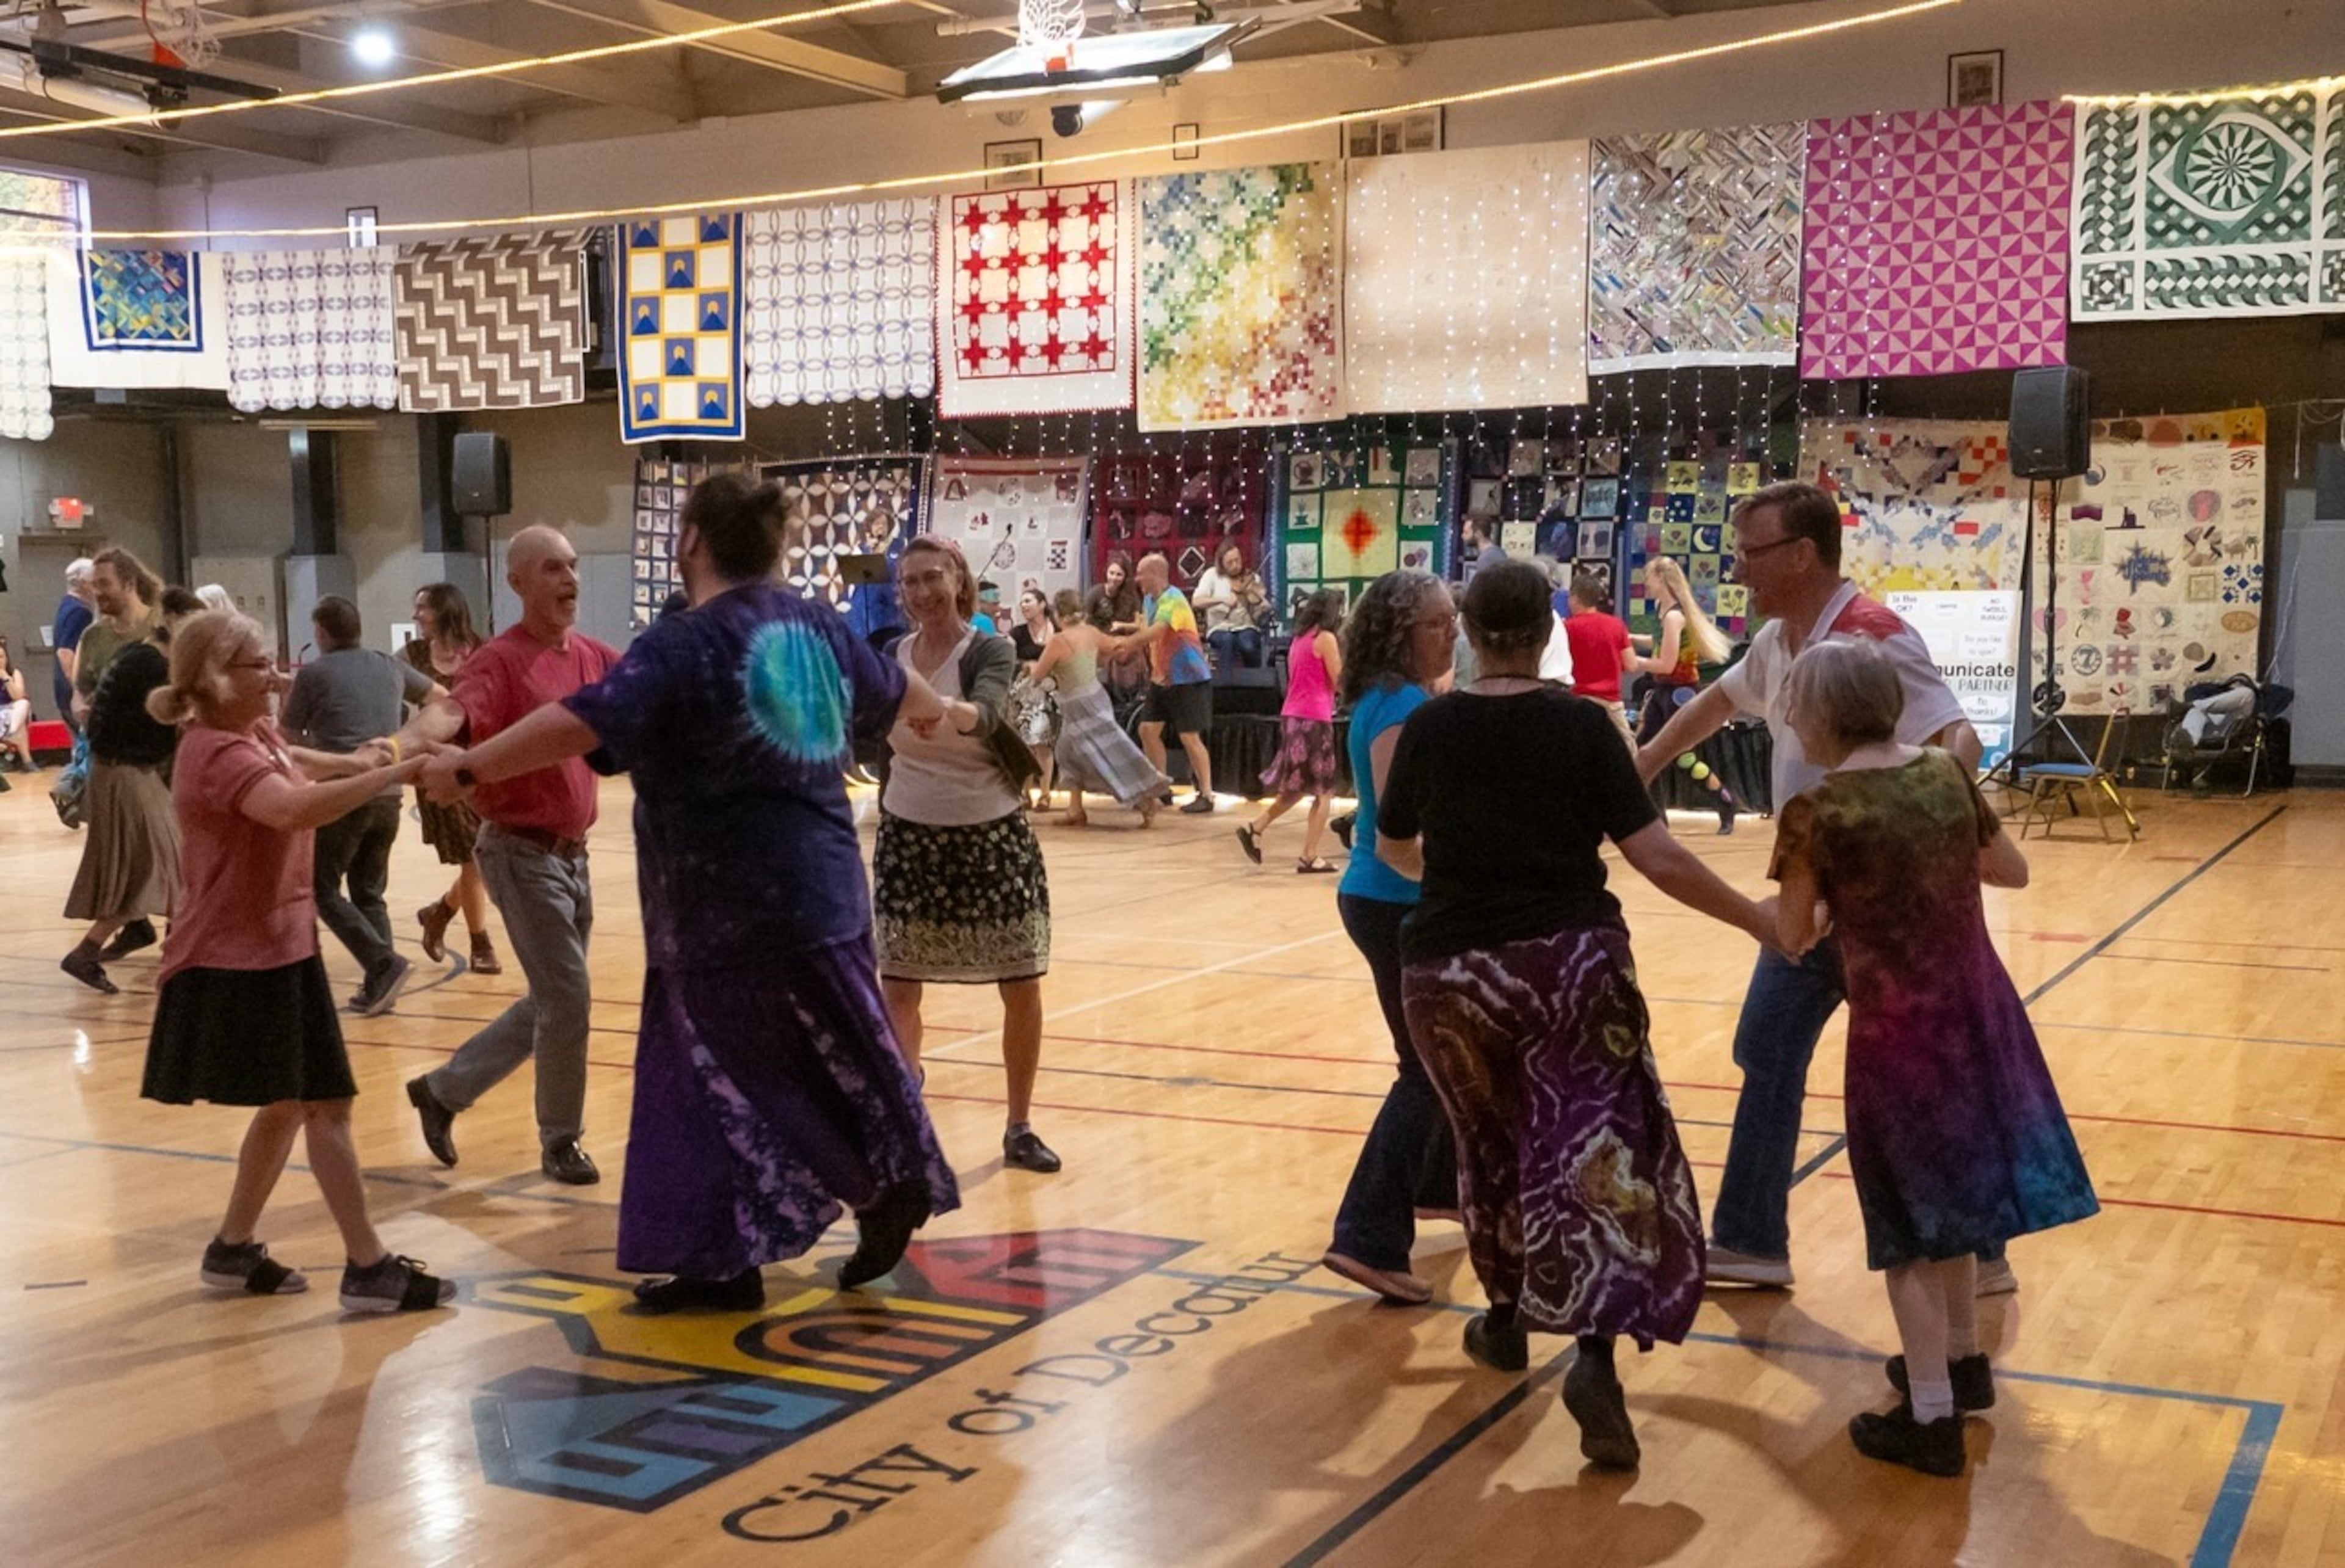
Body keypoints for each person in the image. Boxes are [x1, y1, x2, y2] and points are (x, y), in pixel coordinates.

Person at [420, 475, 962, 1310]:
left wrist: (467, 767)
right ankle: (744, 1250)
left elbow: (585, 722)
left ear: (693, 544)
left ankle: (860, 1195)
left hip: (724, 910)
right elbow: (909, 700)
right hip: (827, 892)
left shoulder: (684, 643)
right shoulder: (817, 626)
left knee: (718, 1082)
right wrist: (938, 715)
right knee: (834, 1055)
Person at [1378, 561, 1778, 1468]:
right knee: (1593, 1153)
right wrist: (1757, 919)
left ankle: (1508, 1317)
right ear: (1545, 627)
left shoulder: (1432, 727)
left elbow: (1397, 847)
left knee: (1487, 1149)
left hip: (1448, 973)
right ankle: (1594, 1352)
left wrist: (1456, 886)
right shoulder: (1584, 727)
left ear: (1473, 631)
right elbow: (1657, 857)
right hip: (1573, 967)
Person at [1637, 481, 1987, 1291]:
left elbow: (1956, 737)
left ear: (1800, 555)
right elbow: (1719, 705)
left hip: (1879, 909)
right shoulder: (1782, 639)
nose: (1739, 567)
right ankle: (1754, 1239)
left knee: (1911, 1079)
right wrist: (1646, 763)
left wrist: (1907, 842)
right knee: (1769, 1049)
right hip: (1813, 901)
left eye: (1751, 552)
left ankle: (1979, 1245)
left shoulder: (1872, 639)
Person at [1770, 641, 2096, 1475]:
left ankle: (1931, 1417)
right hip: (1980, 1015)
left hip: (1898, 1035)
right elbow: (2011, 872)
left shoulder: (1818, 813)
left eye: (1796, 702)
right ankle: (1961, 1364)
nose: (1789, 717)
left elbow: (1793, 936)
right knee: (1959, 1203)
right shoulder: (1948, 778)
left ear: (1830, 714)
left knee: (1908, 1229)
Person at [139, 609, 455, 1314]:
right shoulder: (214, 755)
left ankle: (232, 1248)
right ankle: (369, 1267)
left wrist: (362, 759)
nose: (277, 675)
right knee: (325, 1105)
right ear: (218, 677)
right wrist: (397, 771)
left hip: (280, 945)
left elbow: (297, 760)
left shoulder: (244, 732)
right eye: (259, 664)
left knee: (289, 1106)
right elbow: (292, 808)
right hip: (237, 957)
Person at [390, 526, 616, 1186]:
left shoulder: (594, 657)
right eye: (552, 569)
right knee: (568, 999)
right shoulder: (499, 660)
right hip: (519, 855)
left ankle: (441, 1092)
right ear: (518, 583)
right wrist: (395, 751)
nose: (568, 579)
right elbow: (449, 716)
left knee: (553, 999)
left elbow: (655, 689)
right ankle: (561, 1141)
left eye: (573, 566)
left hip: (574, 857)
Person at [874, 536, 1061, 1175]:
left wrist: (940, 709)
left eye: (933, 578)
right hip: (908, 833)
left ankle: (1019, 1125)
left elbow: (986, 711)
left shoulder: (992, 646)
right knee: (898, 983)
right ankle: (905, 1105)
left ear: (958, 581)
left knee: (1020, 981)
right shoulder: (889, 655)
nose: (922, 593)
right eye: (910, 583)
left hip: (989, 834)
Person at [1320, 570, 1461, 1307]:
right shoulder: (1402, 706)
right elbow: (1402, 833)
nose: (1453, 634)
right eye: (1439, 624)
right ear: (1404, 634)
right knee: (1427, 1069)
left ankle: (1439, 1188)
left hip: (1387, 899)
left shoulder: (1398, 698)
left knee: (1436, 1063)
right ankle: (1367, 1237)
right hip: (1393, 902)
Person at [283, 595, 442, 1016]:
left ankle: (384, 965)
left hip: (341, 796)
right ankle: (382, 983)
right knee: (370, 892)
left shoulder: (314, 673)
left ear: (321, 632)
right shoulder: (388, 665)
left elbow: (287, 737)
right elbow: (441, 697)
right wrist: (405, 739)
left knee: (321, 887)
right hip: (388, 794)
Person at [60, 586, 200, 993]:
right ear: (176, 624)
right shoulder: (151, 665)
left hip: (123, 771)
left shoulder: (139, 656)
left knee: (161, 869)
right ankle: (173, 957)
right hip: (125, 773)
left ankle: (99, 950)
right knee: (163, 869)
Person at [405, 584, 501, 976]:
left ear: (443, 610)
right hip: (437, 768)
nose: (416, 616)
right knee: (474, 855)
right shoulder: (410, 657)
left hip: (482, 762)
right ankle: (481, 944)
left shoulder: (484, 651)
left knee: (485, 854)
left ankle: (440, 913)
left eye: (422, 608)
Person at [1030, 589, 1166, 829]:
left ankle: (1146, 800)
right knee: (1069, 753)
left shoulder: (1059, 641)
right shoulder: (1091, 633)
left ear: (1057, 615)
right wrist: (1101, 660)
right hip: (1093, 698)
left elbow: (1038, 675)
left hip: (1079, 705)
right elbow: (1116, 647)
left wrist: (1028, 667)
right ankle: (1076, 810)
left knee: (1106, 755)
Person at [1237, 588, 1344, 873]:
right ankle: (1310, 856)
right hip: (1316, 720)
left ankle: (1255, 829)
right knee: (1324, 793)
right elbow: (1340, 680)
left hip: (1293, 716)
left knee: (1298, 787)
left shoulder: (1299, 639)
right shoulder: (1326, 639)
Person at [1632, 555, 1742, 833]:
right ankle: (1656, 819)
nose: (1646, 583)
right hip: (1662, 692)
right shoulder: (1663, 611)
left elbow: (1667, 664)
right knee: (1646, 754)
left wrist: (1635, 663)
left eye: (1649, 577)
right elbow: (1660, 643)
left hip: (1679, 693)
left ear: (1662, 580)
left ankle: (1726, 802)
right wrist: (1630, 638)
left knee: (1682, 757)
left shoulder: (1674, 617)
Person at [1135, 551, 1217, 815]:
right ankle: (1161, 786)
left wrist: (1123, 645)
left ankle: (1206, 794)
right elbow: (1144, 632)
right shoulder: (1149, 600)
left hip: (1188, 679)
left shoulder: (1174, 600)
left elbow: (1157, 631)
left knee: (1189, 737)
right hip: (1162, 679)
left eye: (1141, 573)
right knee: (1147, 730)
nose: (1137, 579)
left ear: (1156, 575)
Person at [73, 548, 164, 721]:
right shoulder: (93, 636)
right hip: (110, 741)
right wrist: (80, 708)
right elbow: (80, 690)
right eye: (94, 585)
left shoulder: (163, 626)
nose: (97, 592)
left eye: (104, 584)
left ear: (129, 584)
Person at [1563, 572, 1637, 749]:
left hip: (1578, 702)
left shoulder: (1567, 628)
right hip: (1612, 703)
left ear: (1575, 598)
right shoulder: (1616, 625)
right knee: (1628, 752)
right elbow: (1632, 665)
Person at [1193, 539, 1271, 669]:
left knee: (1248, 645)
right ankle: (1227, 683)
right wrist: (1222, 600)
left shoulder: (1251, 578)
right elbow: (1196, 601)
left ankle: (1253, 682)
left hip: (1246, 626)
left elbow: (1263, 607)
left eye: (1238, 560)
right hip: (1219, 628)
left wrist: (1259, 602)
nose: (1235, 566)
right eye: (1230, 563)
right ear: (1221, 564)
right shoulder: (1211, 576)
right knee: (1227, 641)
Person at [844, 509, 907, 655]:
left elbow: (901, 573)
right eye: (877, 523)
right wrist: (871, 555)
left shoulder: (900, 546)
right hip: (865, 614)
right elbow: (853, 581)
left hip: (890, 613)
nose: (880, 527)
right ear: (870, 527)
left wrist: (883, 558)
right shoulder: (860, 549)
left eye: (884, 524)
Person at [51, 557, 95, 733]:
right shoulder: (80, 612)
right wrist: (79, 692)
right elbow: (65, 653)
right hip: (73, 692)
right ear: (82, 582)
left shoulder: (66, 606)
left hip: (62, 689)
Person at [0, 636, 37, 774]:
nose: (0, 661)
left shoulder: (14, 673)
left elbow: (18, 696)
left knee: (23, 703)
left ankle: (10, 734)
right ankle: (28, 761)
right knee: (20, 727)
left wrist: (6, 678)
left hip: (11, 713)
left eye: (2, 657)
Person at [1460, 514, 1505, 581]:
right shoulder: (1497, 552)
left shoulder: (1487, 558)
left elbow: (1485, 588)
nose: (1462, 536)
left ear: (1478, 534)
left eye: (1466, 533)